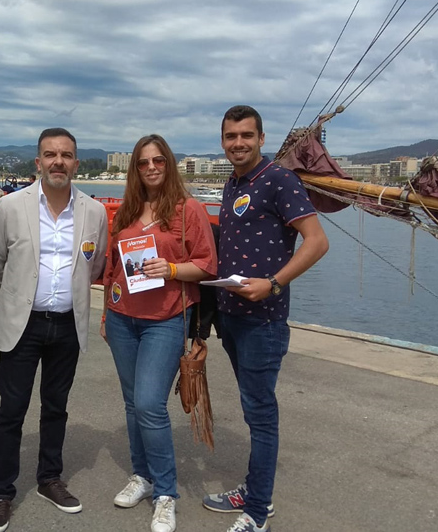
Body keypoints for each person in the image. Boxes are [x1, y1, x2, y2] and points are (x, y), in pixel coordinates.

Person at [202, 106, 328, 532]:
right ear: (222, 140)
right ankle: (256, 491)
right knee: (251, 406)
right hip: (232, 316)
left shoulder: (279, 179)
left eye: (246, 135)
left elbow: (317, 242)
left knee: (260, 413)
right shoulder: (233, 182)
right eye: (230, 136)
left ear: (260, 138)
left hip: (264, 319)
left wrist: (273, 284)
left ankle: (257, 512)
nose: (238, 143)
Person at [0, 128, 108, 532]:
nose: (58, 161)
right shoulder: (10, 206)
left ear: (76, 162)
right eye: (50, 154)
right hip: (24, 324)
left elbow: (97, 263)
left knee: (56, 407)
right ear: (38, 162)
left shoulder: (94, 212)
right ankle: (2, 493)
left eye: (66, 155)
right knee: (11, 411)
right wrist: (21, 296)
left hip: (68, 325)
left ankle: (49, 479)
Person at [101, 134, 217, 532]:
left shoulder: (189, 210)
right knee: (133, 403)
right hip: (121, 318)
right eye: (143, 162)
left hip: (166, 319)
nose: (151, 168)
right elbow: (113, 272)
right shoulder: (126, 212)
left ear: (168, 165)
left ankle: (166, 492)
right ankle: (142, 475)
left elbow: (206, 266)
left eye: (158, 161)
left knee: (150, 404)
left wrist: (169, 269)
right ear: (135, 169)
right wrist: (105, 315)